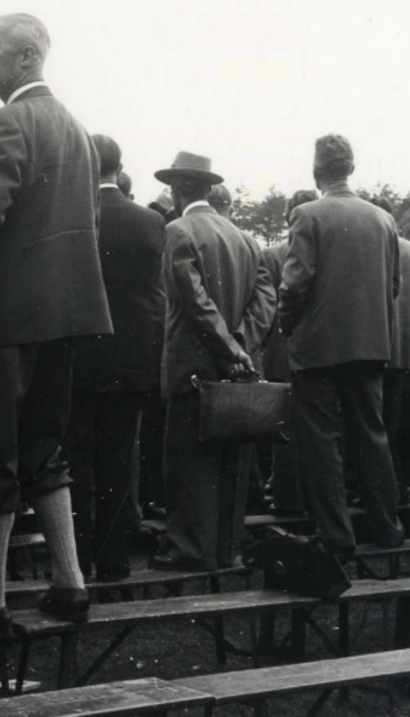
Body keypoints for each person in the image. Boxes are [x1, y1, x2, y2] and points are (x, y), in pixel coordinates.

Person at [0, 14, 112, 638]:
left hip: (8, 319)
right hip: (66, 319)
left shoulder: (8, 121)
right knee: (44, 449)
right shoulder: (78, 130)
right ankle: (70, 584)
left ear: (27, 58)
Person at [280, 134, 404, 555]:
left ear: (316, 172)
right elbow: (393, 286)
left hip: (317, 348)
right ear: (351, 168)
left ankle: (336, 534)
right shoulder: (382, 219)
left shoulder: (307, 215)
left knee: (322, 442)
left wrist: (288, 325)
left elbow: (294, 284)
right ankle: (388, 527)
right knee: (373, 436)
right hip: (370, 344)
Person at [153, 151, 275, 571]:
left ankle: (192, 549)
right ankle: (228, 548)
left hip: (193, 365)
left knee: (187, 461)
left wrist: (229, 346)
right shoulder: (246, 239)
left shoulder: (177, 231)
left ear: (175, 190)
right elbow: (266, 299)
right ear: (208, 188)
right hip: (237, 370)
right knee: (233, 464)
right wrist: (241, 345)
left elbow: (194, 301)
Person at [64, 134, 165, 581]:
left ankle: (78, 558)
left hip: (80, 355)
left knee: (77, 460)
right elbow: (154, 296)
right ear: (119, 168)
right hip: (131, 358)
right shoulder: (151, 221)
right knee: (119, 461)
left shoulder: (74, 216)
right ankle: (114, 559)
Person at [371, 196, 410, 506]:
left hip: (369, 348)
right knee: (392, 423)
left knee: (370, 424)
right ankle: (396, 491)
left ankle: (384, 492)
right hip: (404, 350)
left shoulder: (369, 247)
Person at [260, 189, 317, 514]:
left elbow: (266, 305)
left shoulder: (271, 255)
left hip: (280, 348)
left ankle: (286, 497)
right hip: (316, 349)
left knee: (282, 424)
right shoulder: (325, 251)